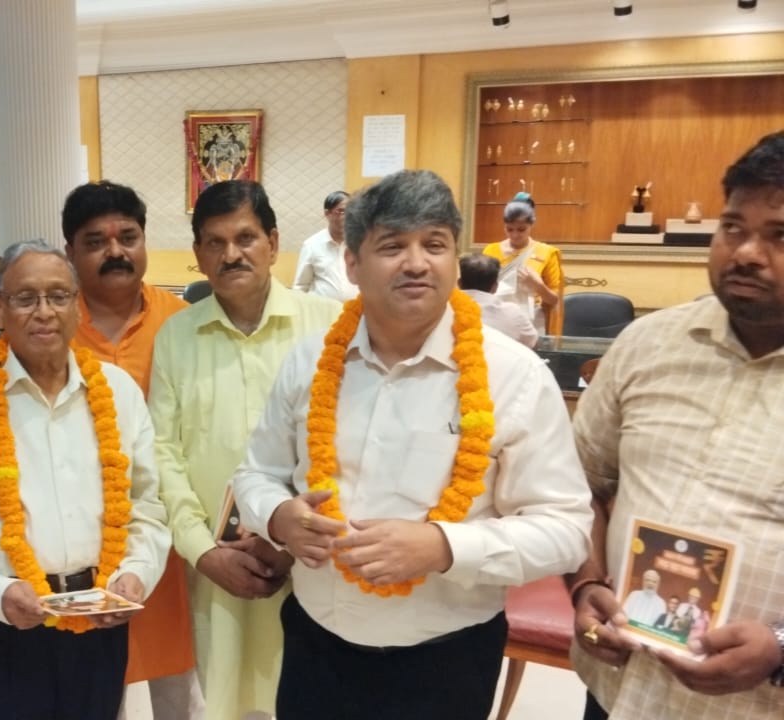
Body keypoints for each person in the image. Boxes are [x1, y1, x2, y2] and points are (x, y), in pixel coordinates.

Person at [232, 170, 592, 720]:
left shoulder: (514, 375)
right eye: (393, 246)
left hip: (445, 662)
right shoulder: (308, 362)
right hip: (315, 646)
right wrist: (279, 517)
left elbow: (566, 530)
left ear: (455, 259)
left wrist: (443, 547)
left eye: (435, 244)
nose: (417, 262)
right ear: (352, 264)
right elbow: (256, 473)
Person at [567, 131, 784, 719]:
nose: (746, 253)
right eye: (733, 227)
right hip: (617, 688)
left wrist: (780, 648)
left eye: (780, 235)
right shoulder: (647, 344)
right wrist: (586, 584)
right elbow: (580, 484)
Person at [0, 240, 171, 720]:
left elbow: (147, 506)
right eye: (26, 298)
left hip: (98, 622)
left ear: (77, 305)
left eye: (58, 296)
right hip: (2, 629)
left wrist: (136, 574)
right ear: (0, 308)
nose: (44, 312)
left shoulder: (119, 394)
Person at [151, 179, 340, 720]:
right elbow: (162, 454)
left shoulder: (329, 325)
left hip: (312, 561)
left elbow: (351, 445)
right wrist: (202, 551)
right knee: (226, 703)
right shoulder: (177, 336)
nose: (230, 254)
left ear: (273, 243)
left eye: (245, 238)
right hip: (218, 570)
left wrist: (291, 541)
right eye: (214, 242)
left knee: (311, 699)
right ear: (198, 254)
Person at [60, 180, 199, 717]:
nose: (115, 251)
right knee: (93, 687)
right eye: (95, 241)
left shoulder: (182, 322)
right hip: (77, 536)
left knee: (177, 685)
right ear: (71, 251)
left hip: (165, 532)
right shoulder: (52, 325)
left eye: (128, 237)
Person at [482, 193, 564, 335]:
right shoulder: (491, 251)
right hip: (496, 318)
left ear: (531, 225)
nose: (515, 235)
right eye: (509, 229)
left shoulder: (546, 253)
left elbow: (554, 300)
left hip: (531, 321)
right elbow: (481, 291)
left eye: (521, 229)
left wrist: (537, 285)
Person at [458, 253, 539, 348]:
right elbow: (533, 342)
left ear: (459, 283)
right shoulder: (513, 313)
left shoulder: (445, 310)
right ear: (495, 287)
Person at [292, 191, 359, 301]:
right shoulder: (312, 245)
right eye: (341, 211)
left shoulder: (359, 243)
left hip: (355, 310)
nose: (346, 216)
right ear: (327, 214)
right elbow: (300, 286)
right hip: (321, 310)